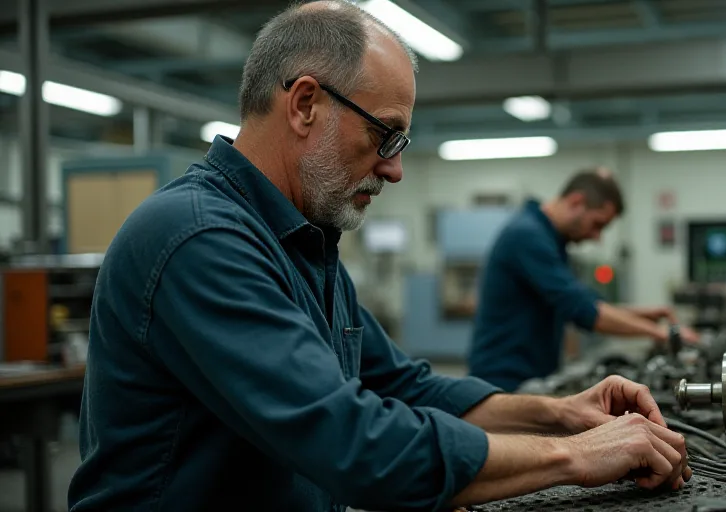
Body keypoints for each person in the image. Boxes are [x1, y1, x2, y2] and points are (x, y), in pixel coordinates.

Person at [67, 2, 691, 511]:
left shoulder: (303, 243)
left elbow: (402, 385)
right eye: (385, 134)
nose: (394, 169)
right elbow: (352, 444)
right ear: (305, 104)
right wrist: (576, 457)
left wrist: (561, 416)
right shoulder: (198, 238)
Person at [468, 170, 700, 391]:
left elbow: (586, 301)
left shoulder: (548, 238)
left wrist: (646, 314)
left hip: (529, 377)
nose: (597, 237)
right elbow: (582, 310)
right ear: (576, 202)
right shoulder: (527, 235)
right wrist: (662, 333)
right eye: (597, 224)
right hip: (504, 382)